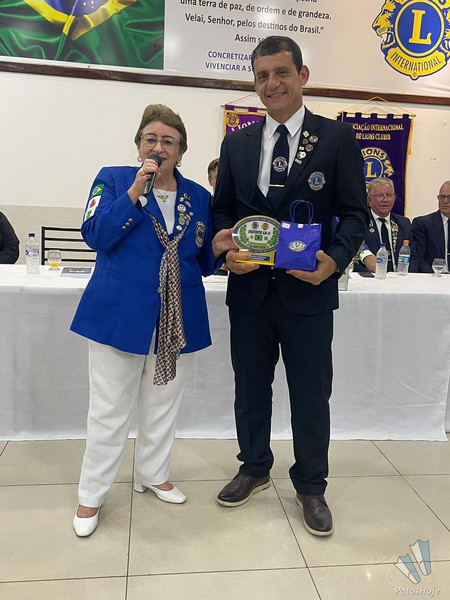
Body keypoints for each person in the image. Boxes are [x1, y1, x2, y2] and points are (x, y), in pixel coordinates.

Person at [212, 36, 368, 537]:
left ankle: (311, 485)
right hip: (250, 292)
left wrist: (335, 262)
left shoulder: (336, 138)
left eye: (281, 72)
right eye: (262, 76)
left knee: (310, 394)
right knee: (250, 388)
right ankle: (254, 467)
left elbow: (355, 214)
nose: (271, 84)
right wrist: (224, 249)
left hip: (309, 291)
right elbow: (222, 213)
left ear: (303, 75)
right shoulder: (236, 144)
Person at [70, 104, 233, 537]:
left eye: (168, 141)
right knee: (109, 410)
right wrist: (133, 194)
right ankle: (92, 494)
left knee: (163, 404)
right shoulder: (114, 179)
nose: (158, 147)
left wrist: (216, 248)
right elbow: (95, 235)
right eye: (151, 139)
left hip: (177, 317)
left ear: (181, 151)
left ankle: (153, 473)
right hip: (119, 314)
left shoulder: (198, 196)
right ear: (139, 144)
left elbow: (200, 261)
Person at [355, 178, 411, 273]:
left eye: (389, 195)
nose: (385, 200)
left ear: (394, 198)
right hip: (371, 276)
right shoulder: (360, 222)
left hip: (400, 277)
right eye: (379, 196)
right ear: (369, 200)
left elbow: (413, 256)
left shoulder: (404, 223)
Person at [410, 180, 450, 273]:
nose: (445, 201)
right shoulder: (422, 224)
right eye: (442, 197)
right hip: (432, 277)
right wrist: (436, 276)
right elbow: (419, 259)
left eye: (449, 197)